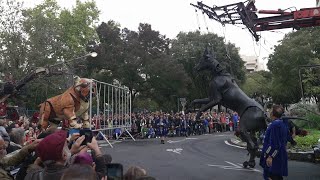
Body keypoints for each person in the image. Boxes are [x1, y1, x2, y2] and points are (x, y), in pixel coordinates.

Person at [260, 105, 289, 180]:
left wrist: (270, 156)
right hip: (280, 154)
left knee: (271, 176)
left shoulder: (275, 125)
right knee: (277, 177)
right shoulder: (282, 124)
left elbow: (275, 144)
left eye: (270, 111)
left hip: (275, 157)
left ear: (273, 114)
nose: (269, 112)